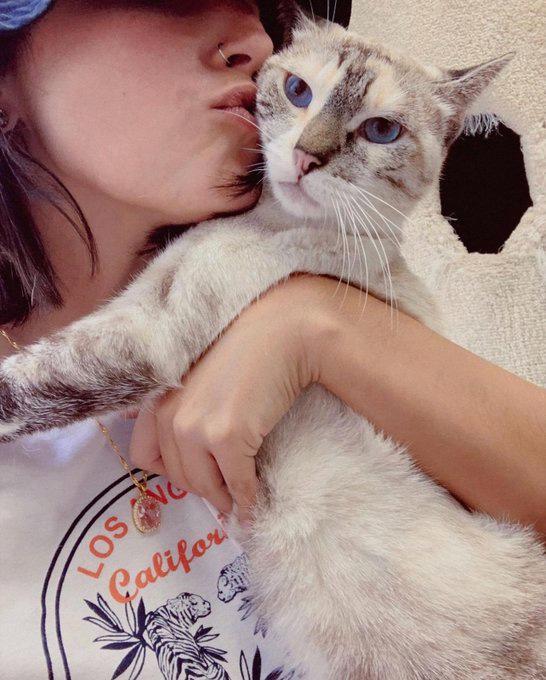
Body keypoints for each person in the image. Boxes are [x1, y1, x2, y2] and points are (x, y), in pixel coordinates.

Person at [0, 0, 544, 677]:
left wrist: (313, 325)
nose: (255, 45)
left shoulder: (328, 291)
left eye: (262, 11)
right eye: (176, 1)